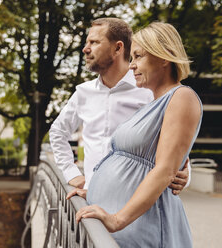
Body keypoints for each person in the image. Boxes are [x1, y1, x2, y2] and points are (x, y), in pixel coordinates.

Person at [75, 22, 203, 248]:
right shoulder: (151, 104)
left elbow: (165, 169)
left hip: (145, 228)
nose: (131, 66)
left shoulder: (182, 97)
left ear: (164, 58)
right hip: (129, 230)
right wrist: (95, 193)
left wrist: (117, 219)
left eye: (138, 57)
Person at [49, 18, 190, 193]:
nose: (85, 49)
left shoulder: (149, 91)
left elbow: (174, 142)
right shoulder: (83, 93)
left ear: (118, 48)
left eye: (94, 42)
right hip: (91, 198)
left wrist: (185, 173)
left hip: (134, 201)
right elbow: (57, 132)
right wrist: (71, 174)